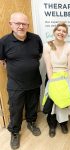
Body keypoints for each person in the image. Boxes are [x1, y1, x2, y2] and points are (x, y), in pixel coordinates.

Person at [0, 12, 43, 149]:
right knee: (15, 110)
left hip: (34, 82)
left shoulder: (36, 39)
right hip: (15, 84)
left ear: (28, 25)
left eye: (24, 23)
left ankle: (31, 123)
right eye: (17, 23)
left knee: (32, 105)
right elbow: (1, 59)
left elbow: (39, 54)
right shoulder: (4, 41)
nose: (21, 26)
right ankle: (15, 132)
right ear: (11, 24)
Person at [43, 22, 70, 138]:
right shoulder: (47, 46)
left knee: (63, 103)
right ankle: (52, 125)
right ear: (54, 31)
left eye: (64, 31)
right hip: (52, 78)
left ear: (66, 34)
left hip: (65, 79)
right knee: (52, 104)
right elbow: (48, 66)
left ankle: (63, 123)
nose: (61, 33)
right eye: (59, 30)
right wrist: (52, 83)